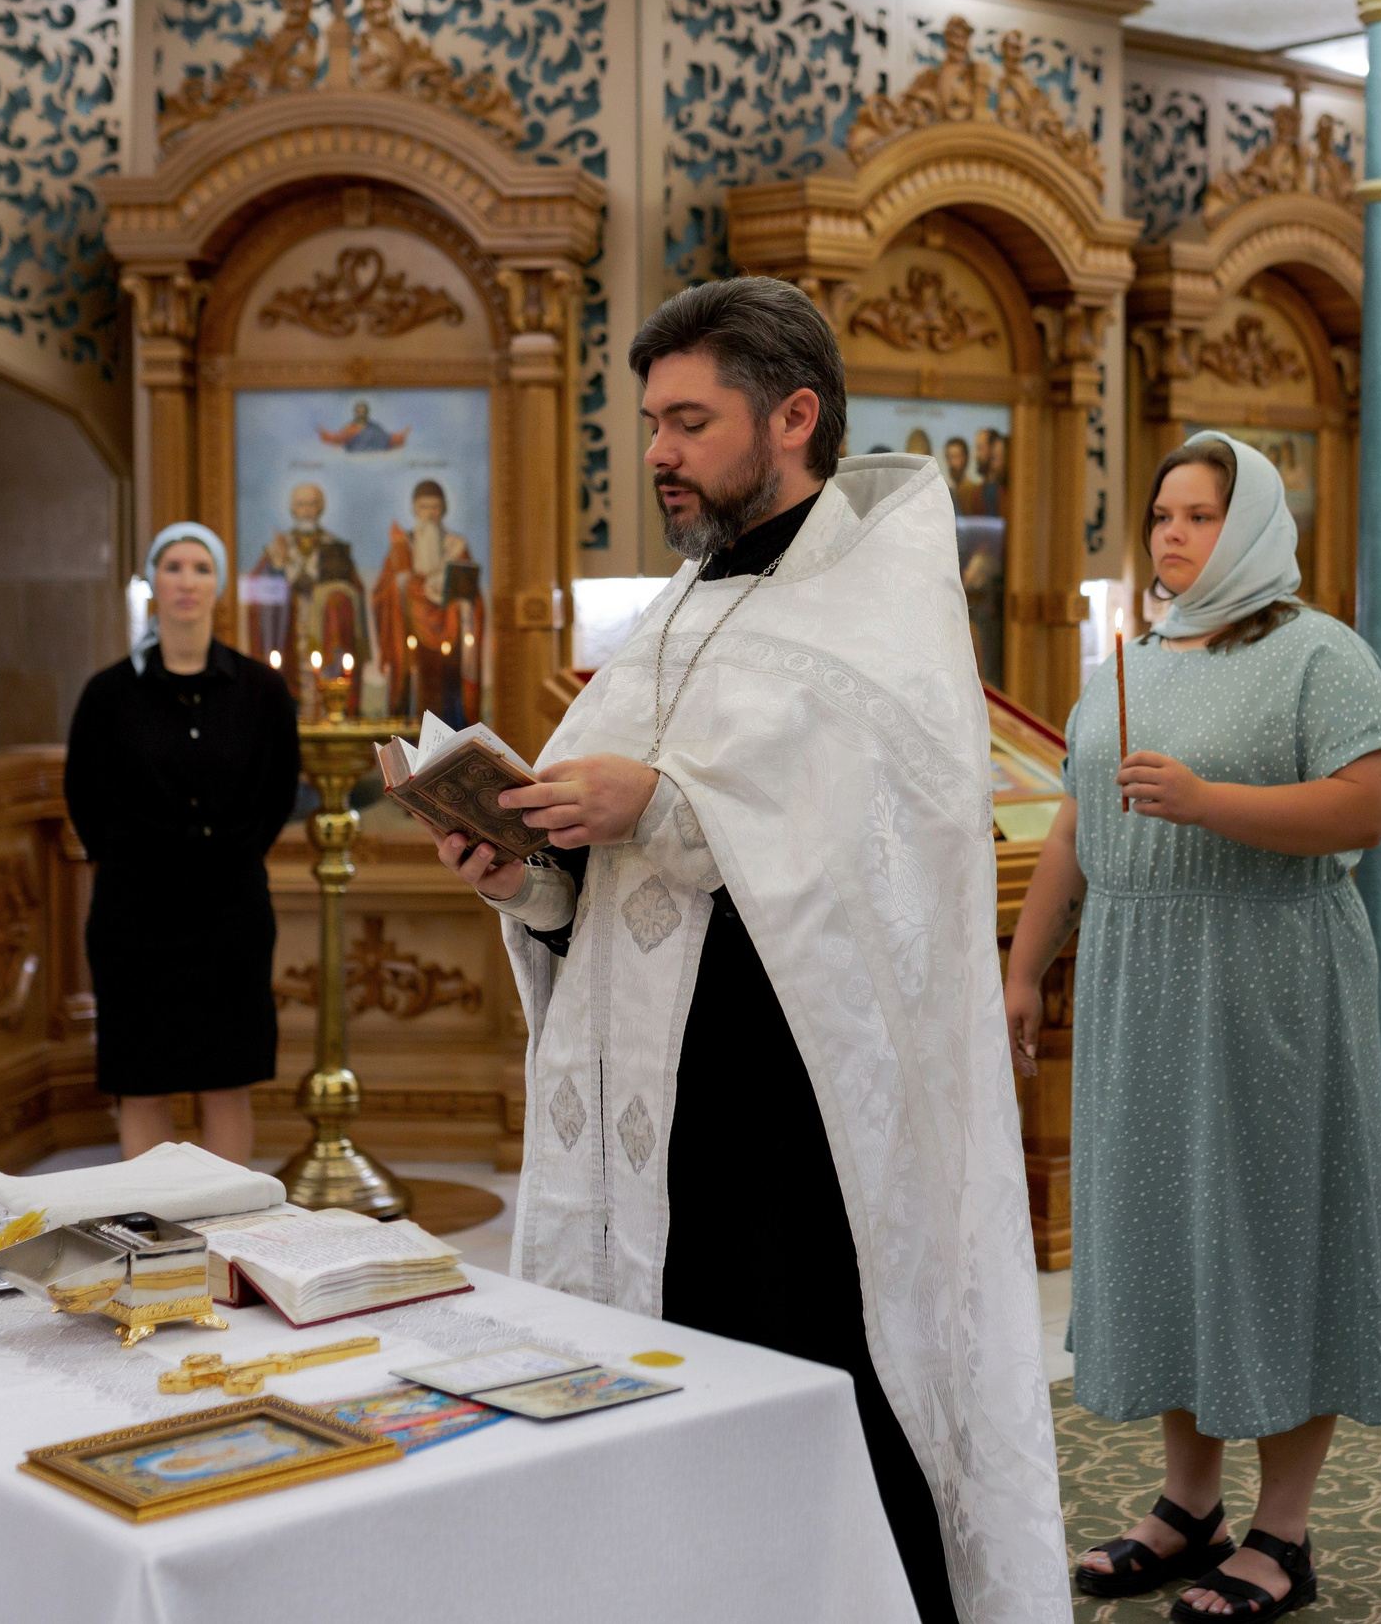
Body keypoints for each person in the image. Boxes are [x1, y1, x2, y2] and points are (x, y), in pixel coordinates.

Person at [422, 277, 1064, 1624]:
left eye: (688, 420)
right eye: (650, 420)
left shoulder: (880, 599)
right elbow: (605, 871)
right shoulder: (682, 606)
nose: (656, 451)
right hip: (659, 1112)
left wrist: (660, 800)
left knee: (818, 1387)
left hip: (801, 1116)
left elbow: (897, 829)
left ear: (793, 414)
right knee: (679, 1383)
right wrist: (527, 872)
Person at [1005, 432, 1381, 1622]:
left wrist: (1206, 801)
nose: (1171, 534)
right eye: (1161, 514)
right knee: (1167, 1230)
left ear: (1258, 526)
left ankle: (1282, 1532)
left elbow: (1364, 811)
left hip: (1265, 971)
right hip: (1140, 978)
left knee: (1275, 1231)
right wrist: (1024, 970)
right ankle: (1189, 1505)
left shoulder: (1320, 656)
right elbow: (1076, 821)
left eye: (1199, 515)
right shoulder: (1133, 656)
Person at [65, 523, 300, 1163]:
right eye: (173, 567)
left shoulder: (261, 691)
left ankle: (223, 1235)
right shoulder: (108, 694)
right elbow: (82, 796)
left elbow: (279, 791)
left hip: (230, 907)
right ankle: (157, 1233)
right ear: (154, 583)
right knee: (142, 1084)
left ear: (218, 585)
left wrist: (229, 851)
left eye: (201, 567)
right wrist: (134, 859)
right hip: (133, 910)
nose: (187, 581)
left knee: (226, 1080)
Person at [372, 478, 483, 726]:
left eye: (435, 507)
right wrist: (401, 583)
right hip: (411, 633)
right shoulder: (403, 545)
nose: (430, 514)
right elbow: (382, 592)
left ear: (443, 508)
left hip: (450, 639)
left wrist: (461, 606)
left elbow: (471, 595)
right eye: (424, 507)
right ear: (414, 509)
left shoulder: (457, 547)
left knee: (448, 701)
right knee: (413, 691)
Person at [251, 482, 369, 691]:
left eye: (312, 504)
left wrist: (335, 596)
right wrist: (276, 567)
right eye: (301, 505)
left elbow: (354, 589)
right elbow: (257, 588)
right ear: (292, 509)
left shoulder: (334, 546)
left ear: (321, 508)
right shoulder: (279, 546)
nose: (306, 511)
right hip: (290, 627)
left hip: (324, 627)